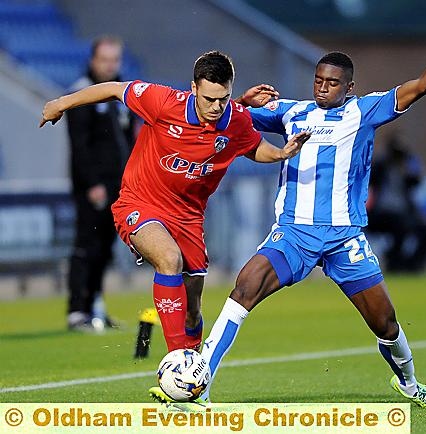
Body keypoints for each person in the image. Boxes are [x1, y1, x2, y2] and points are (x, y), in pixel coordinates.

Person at [197, 18, 426, 409]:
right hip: (294, 233)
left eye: (331, 83)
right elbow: (224, 119)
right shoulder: (289, 112)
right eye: (318, 80)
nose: (322, 88)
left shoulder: (365, 111)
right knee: (245, 287)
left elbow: (421, 85)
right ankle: (199, 384)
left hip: (345, 237)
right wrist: (241, 102)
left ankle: (410, 385)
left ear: (349, 87)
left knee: (386, 322)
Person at [40, 50, 310, 369]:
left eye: (223, 98)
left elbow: (254, 148)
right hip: (139, 203)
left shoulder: (236, 119)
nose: (216, 107)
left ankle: (191, 370)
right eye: (209, 98)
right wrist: (60, 102)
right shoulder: (164, 102)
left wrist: (281, 153)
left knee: (192, 306)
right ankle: (176, 363)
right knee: (169, 260)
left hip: (189, 218)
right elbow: (113, 88)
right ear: (193, 89)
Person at [65, 35, 137, 331]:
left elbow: (128, 139)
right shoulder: (81, 93)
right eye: (104, 60)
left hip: (119, 185)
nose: (110, 66)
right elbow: (79, 146)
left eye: (114, 60)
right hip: (92, 187)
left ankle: (95, 306)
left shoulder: (122, 94)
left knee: (105, 248)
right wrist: (92, 183)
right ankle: (77, 310)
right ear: (93, 60)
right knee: (87, 246)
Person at [367, 135, 422, 271]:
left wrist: (406, 168)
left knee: (421, 228)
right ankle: (394, 261)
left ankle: (412, 263)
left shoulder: (405, 168)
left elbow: (416, 181)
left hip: (402, 212)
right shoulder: (382, 166)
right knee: (400, 227)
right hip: (381, 213)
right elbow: (371, 179)